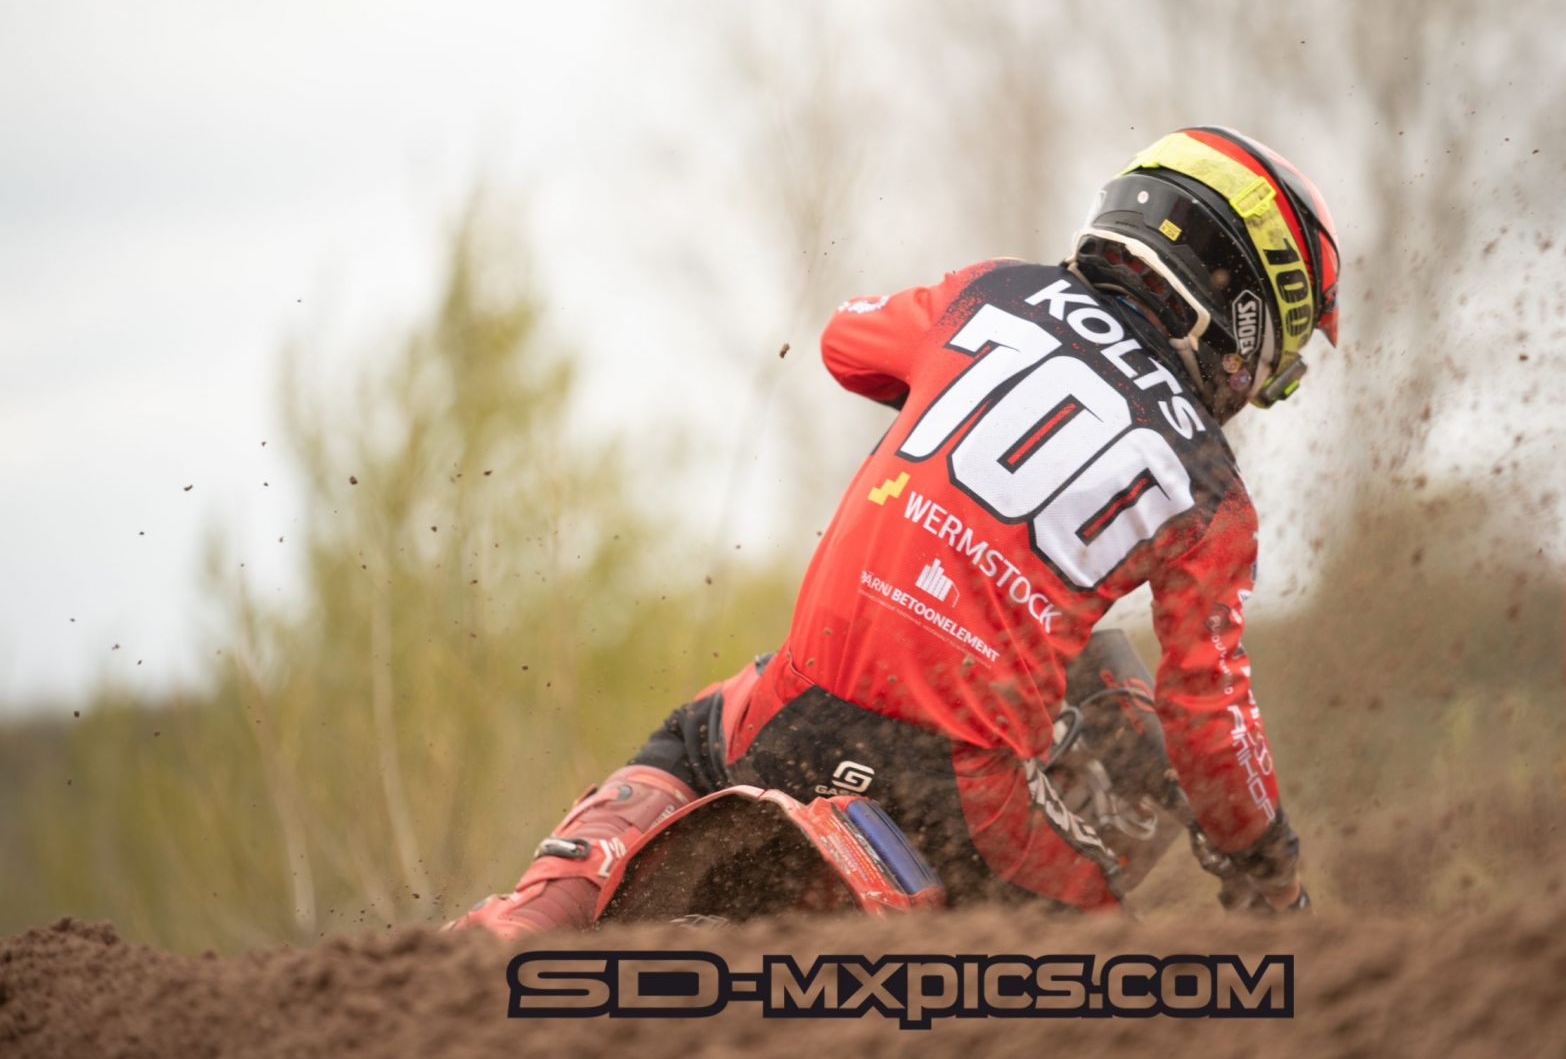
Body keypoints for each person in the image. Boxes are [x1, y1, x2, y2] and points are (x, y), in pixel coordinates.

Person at [452, 126, 1340, 938]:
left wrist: (947, 393)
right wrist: (1270, 866)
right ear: (1249, 313)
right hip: (968, 793)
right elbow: (1210, 721)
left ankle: (519, 926)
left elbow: (844, 341)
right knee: (1103, 960)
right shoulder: (1214, 494)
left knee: (692, 744)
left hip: (801, 708)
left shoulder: (992, 293)